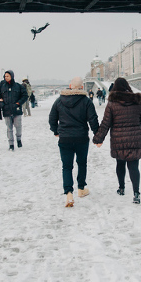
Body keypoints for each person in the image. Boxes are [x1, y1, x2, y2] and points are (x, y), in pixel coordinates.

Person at [92, 77, 141, 204]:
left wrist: (98, 139)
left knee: (120, 164)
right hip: (134, 139)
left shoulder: (112, 103)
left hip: (118, 140)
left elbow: (106, 124)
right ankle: (136, 193)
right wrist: (136, 128)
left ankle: (121, 188)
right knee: (134, 167)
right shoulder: (137, 102)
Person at [49, 76, 99, 207]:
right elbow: (93, 119)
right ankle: (81, 189)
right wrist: (97, 135)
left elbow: (52, 118)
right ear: (82, 87)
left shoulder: (59, 100)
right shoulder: (86, 101)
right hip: (81, 138)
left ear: (70, 86)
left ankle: (69, 193)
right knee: (82, 163)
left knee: (67, 166)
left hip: (65, 138)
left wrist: (55, 131)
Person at [0, 70, 28, 151]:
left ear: (11, 76)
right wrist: (2, 105)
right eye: (5, 76)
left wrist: (18, 103)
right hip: (6, 110)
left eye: (7, 76)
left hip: (16, 110)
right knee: (9, 128)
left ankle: (19, 139)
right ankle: (11, 144)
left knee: (18, 126)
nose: (6, 78)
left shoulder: (18, 86)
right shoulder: (2, 87)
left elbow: (25, 95)